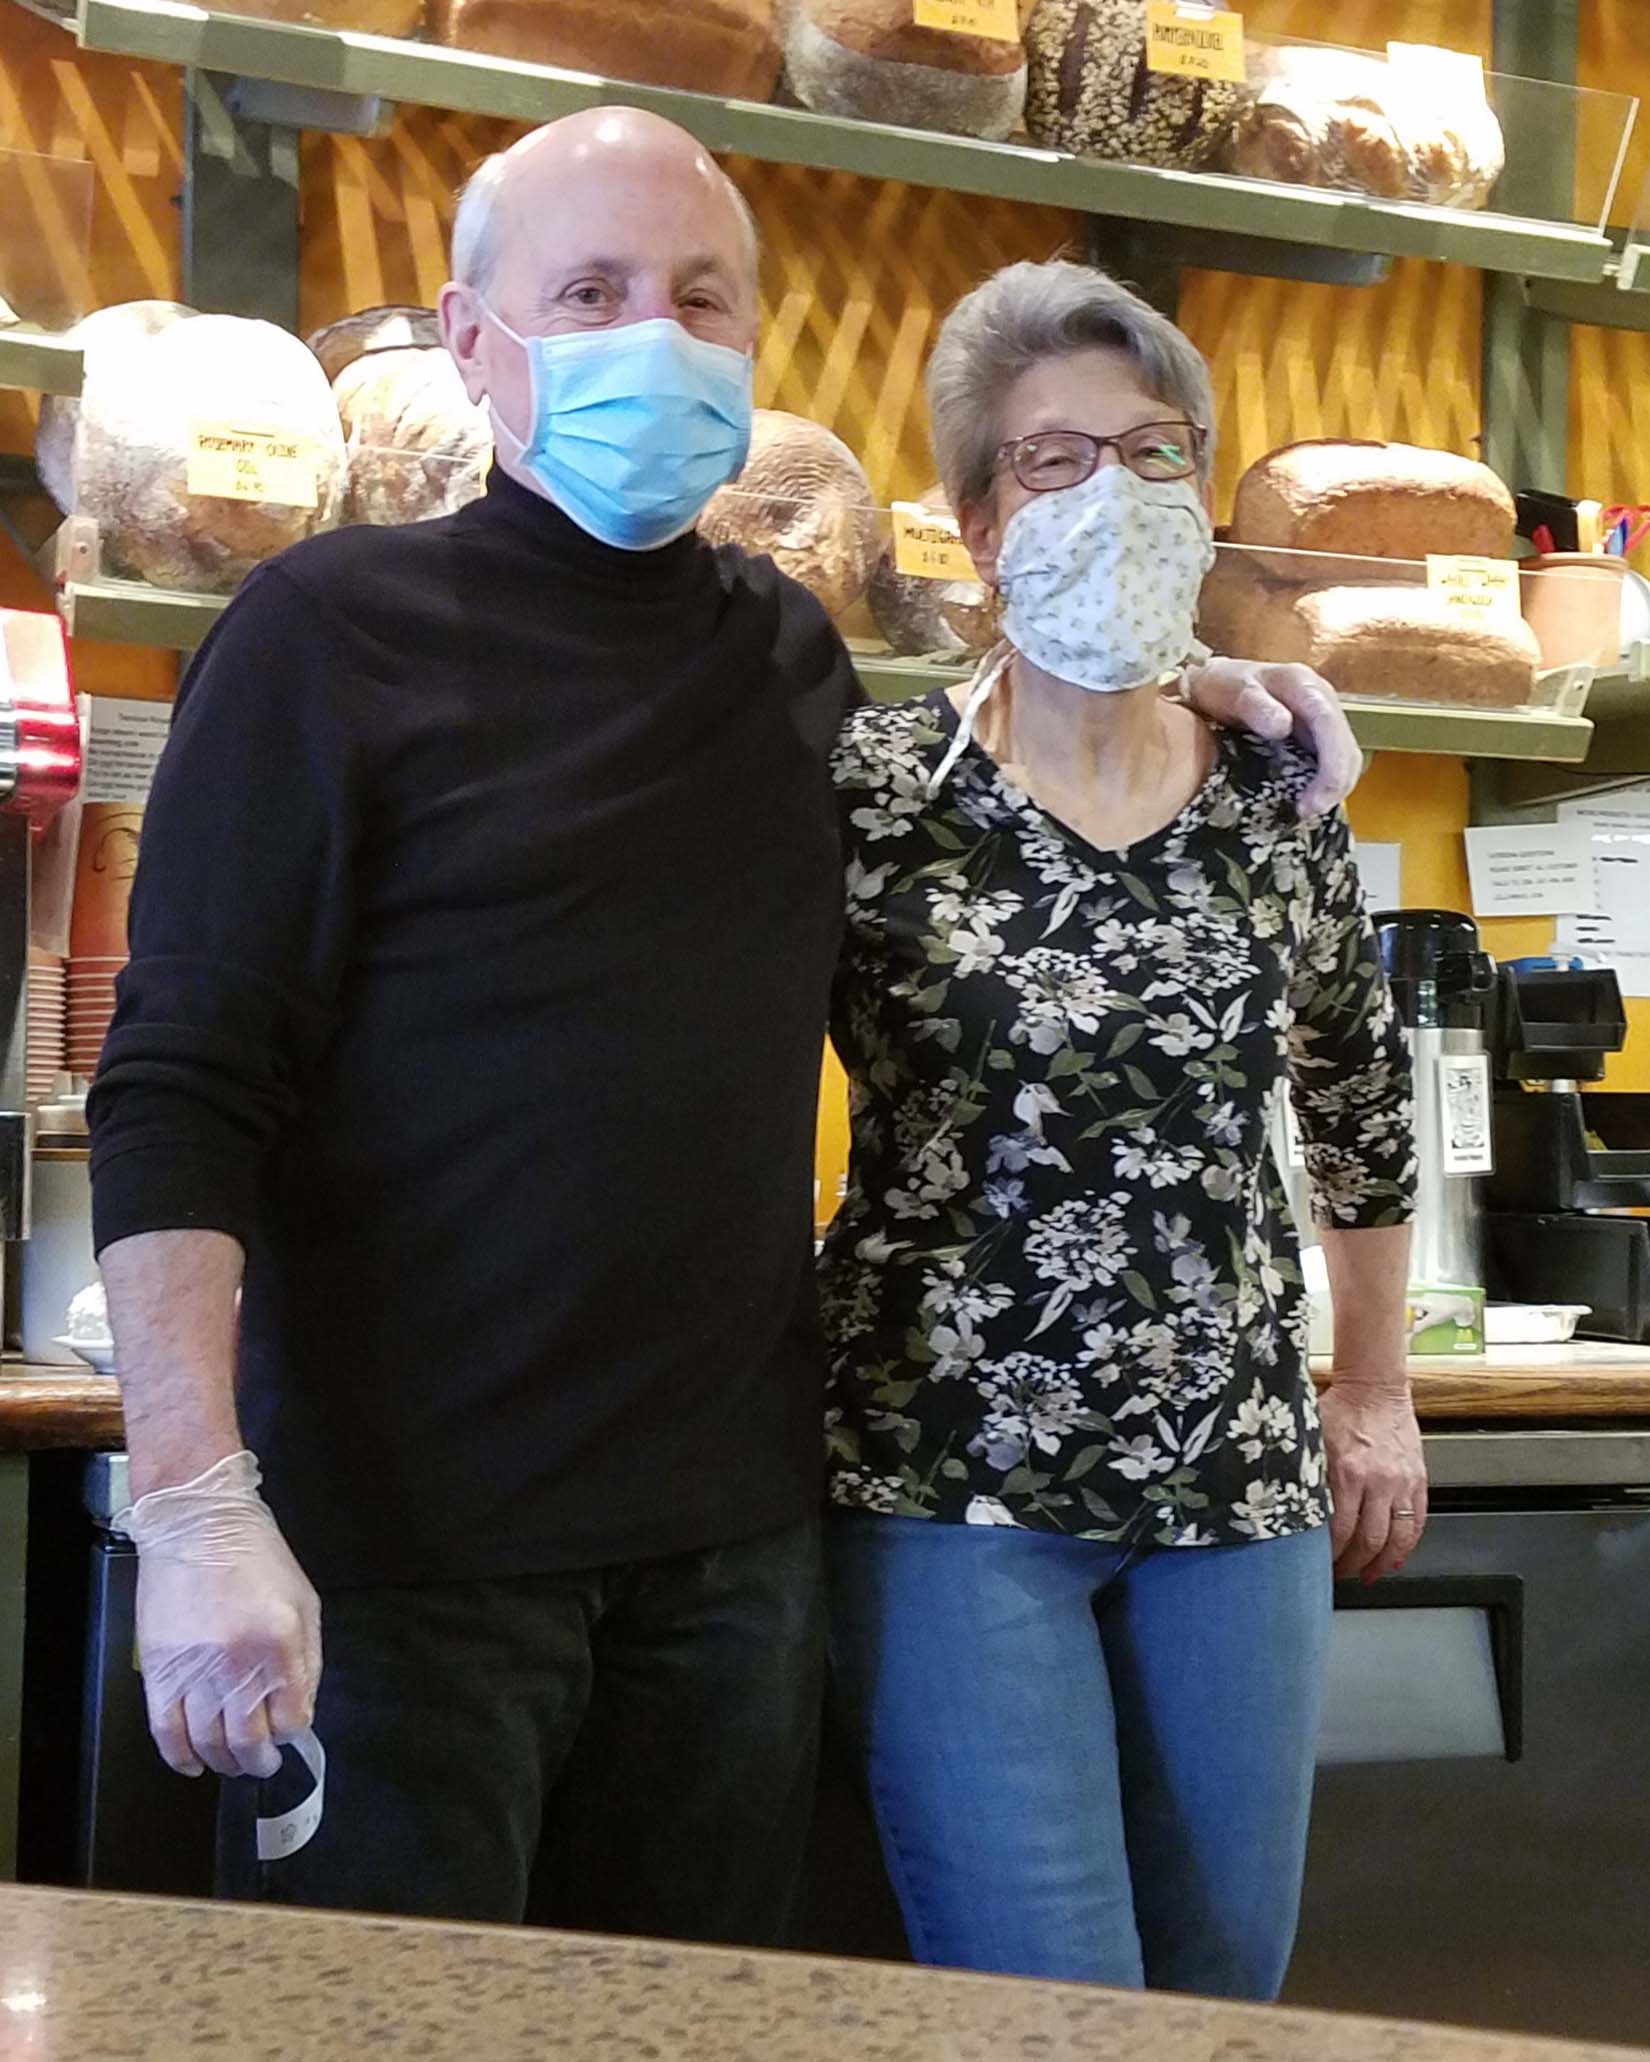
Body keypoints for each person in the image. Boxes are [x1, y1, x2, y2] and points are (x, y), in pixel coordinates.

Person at [88, 114, 1365, 1937]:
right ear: (470, 340)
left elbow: (995, 807)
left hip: (734, 1555)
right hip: (400, 1562)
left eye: (698, 298)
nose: (653, 336)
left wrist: (1193, 685)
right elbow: (180, 1086)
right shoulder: (320, 636)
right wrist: (199, 1503)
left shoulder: (788, 657)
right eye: (588, 293)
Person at [820, 260, 1424, 1996]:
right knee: (1044, 2001)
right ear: (977, 522)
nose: (1111, 493)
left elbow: (1356, 1094)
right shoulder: (870, 793)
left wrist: (1367, 1392)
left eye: (1152, 454)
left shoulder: (1273, 784)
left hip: (1235, 1471)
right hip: (950, 1478)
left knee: (1226, 1982)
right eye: (1052, 459)